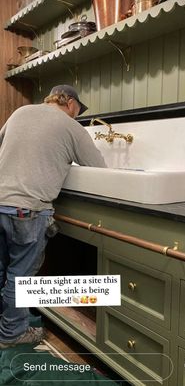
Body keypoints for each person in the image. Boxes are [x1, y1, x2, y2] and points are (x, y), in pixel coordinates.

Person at [0, 85, 106, 349]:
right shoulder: (72, 128)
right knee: (20, 276)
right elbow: (100, 169)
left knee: (2, 270)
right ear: (69, 102)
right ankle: (12, 335)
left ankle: (6, 324)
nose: (77, 116)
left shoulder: (21, 112)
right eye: (78, 111)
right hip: (27, 209)